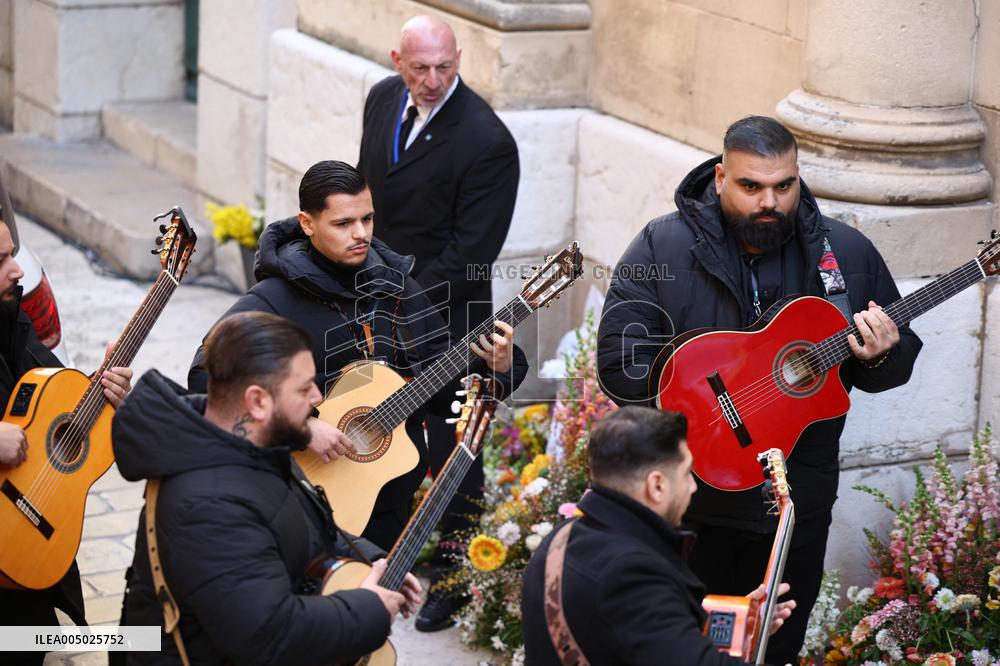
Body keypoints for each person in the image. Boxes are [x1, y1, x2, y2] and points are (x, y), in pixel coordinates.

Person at [595, 115, 922, 664]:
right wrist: (706, 397)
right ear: (721, 177)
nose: (769, 202)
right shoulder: (662, 246)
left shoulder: (844, 254)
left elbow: (890, 367)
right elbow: (619, 363)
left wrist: (884, 352)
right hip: (688, 505)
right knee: (678, 648)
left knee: (774, 649)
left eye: (783, 186)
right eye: (751, 186)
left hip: (793, 508)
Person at [188, 160, 528, 553]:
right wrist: (300, 427)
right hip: (298, 504)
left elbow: (443, 390)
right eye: (343, 223)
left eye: (368, 219)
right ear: (307, 223)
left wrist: (496, 367)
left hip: (387, 506)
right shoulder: (272, 300)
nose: (361, 234)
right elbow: (206, 376)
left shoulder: (398, 288)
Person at [114, 311, 423, 665]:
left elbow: (300, 520)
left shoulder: (256, 444)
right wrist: (368, 610)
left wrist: (372, 559)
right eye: (304, 387)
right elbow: (268, 634)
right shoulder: (208, 506)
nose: (318, 398)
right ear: (258, 402)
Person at [357, 14, 520, 632]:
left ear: (460, 59)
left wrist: (393, 300)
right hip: (376, 309)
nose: (431, 80)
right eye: (419, 67)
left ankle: (453, 574)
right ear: (397, 58)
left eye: (444, 68)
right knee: (385, 436)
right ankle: (378, 555)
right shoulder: (380, 98)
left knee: (458, 448)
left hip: (449, 317)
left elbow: (472, 252)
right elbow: (364, 196)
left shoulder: (487, 140)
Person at [521, 407, 796, 665]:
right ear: (657, 485)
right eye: (687, 473)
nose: (692, 487)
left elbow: (640, 637)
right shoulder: (630, 573)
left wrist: (742, 624)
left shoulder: (561, 538)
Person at [0, 220, 133, 665]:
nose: (18, 270)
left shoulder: (11, 317)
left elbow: (55, 404)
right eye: (1, 260)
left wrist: (103, 389)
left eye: (12, 253)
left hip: (22, 554)